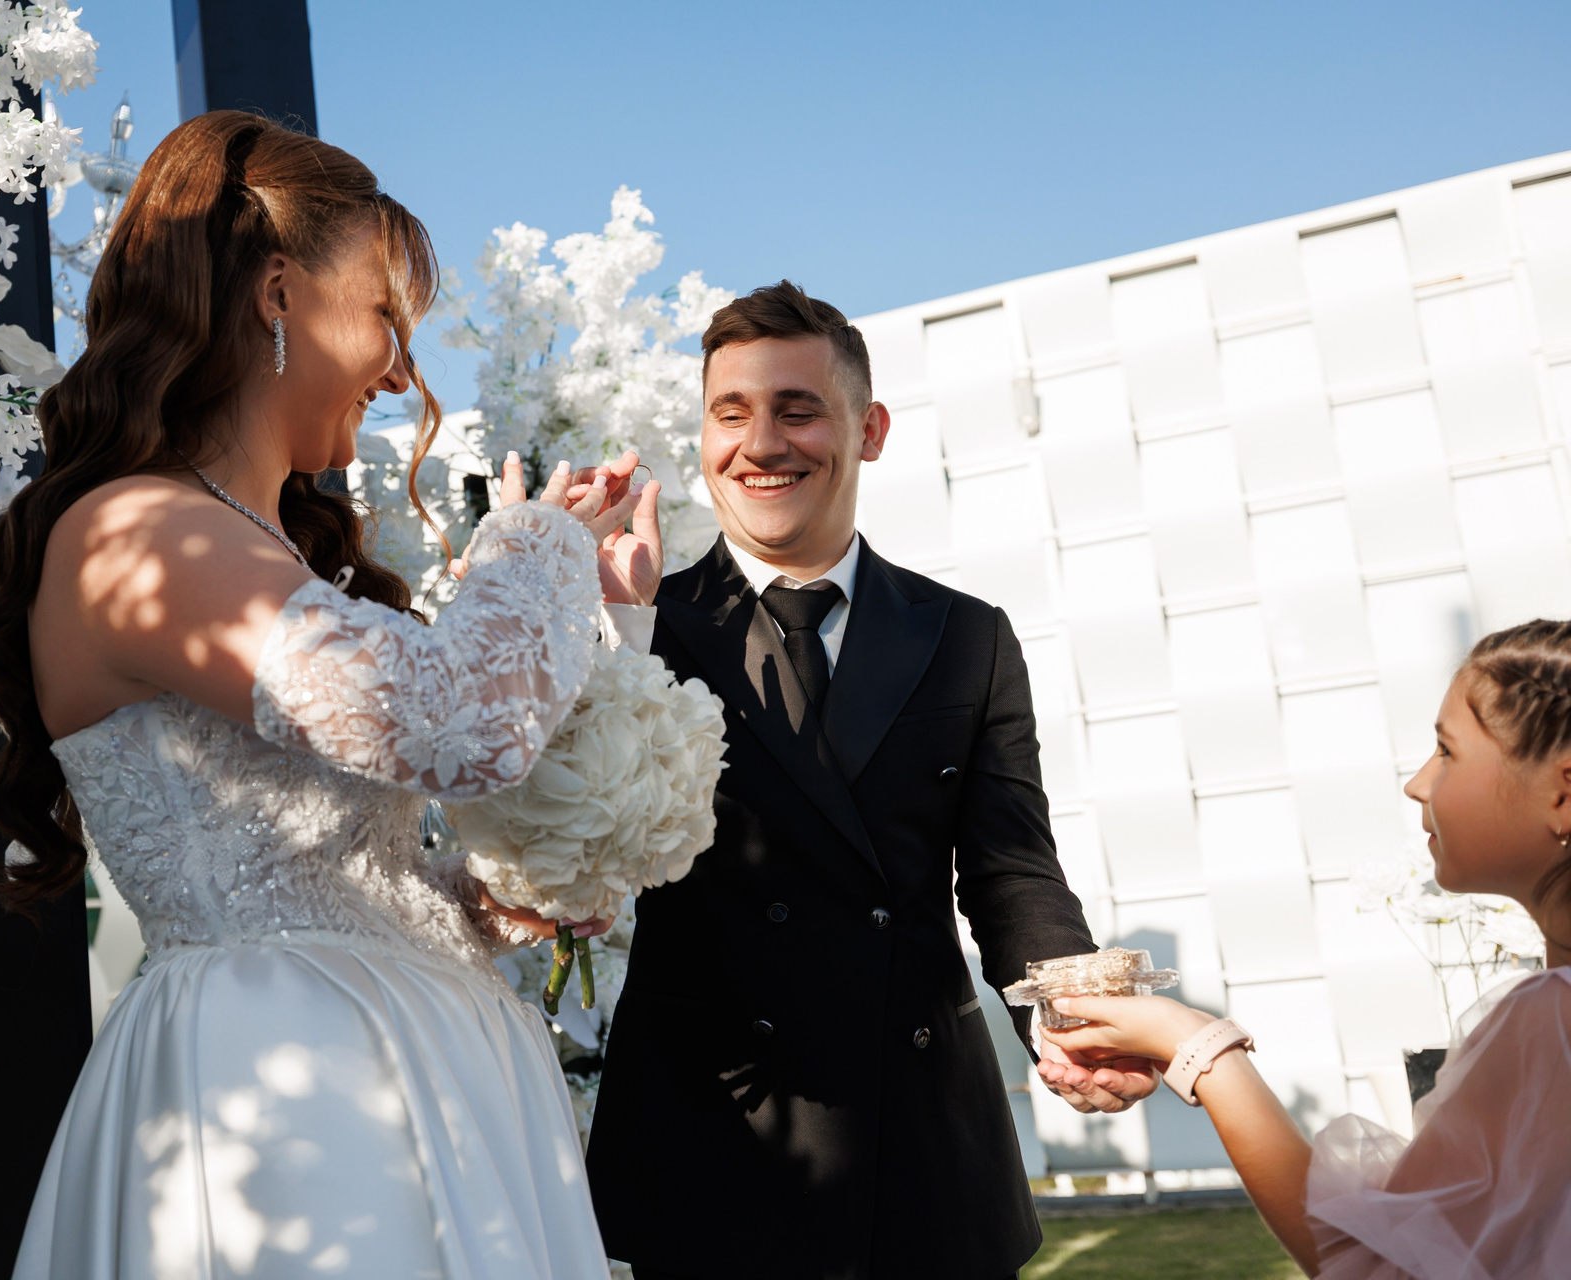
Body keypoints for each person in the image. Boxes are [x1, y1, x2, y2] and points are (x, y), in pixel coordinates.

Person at [0, 111, 652, 1280]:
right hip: (286, 1095)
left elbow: (374, 879)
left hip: (426, 1074)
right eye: (387, 316)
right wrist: (537, 546)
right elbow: (453, 722)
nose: (401, 370)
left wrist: (599, 634)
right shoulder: (135, 532)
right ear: (278, 291)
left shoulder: (262, 547)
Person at [580, 281, 1158, 1280]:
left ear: (870, 429)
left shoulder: (965, 635)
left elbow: (1011, 868)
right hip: (710, 1144)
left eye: (797, 409)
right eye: (731, 413)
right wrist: (584, 624)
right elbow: (571, 852)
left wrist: (1071, 1012)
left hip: (924, 1150)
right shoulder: (634, 625)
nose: (761, 444)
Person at [1042, 620, 1571, 1279]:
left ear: (1563, 792)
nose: (1417, 783)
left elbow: (1367, 1261)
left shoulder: (1551, 1022)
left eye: (1447, 751)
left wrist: (1198, 1048)